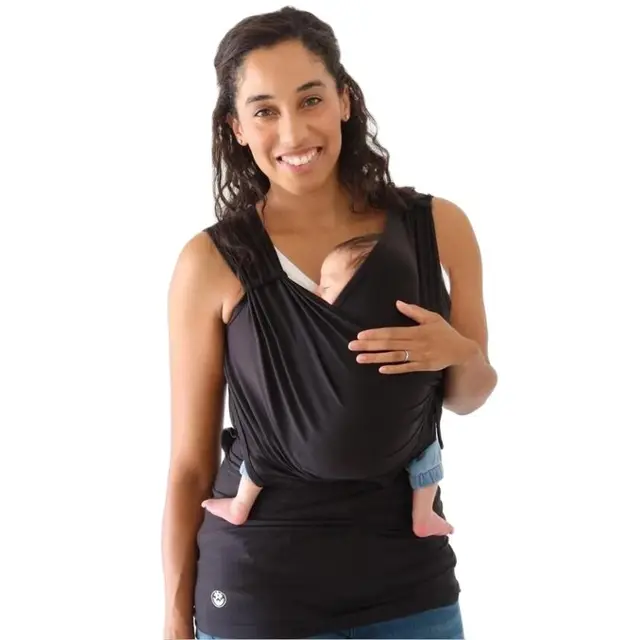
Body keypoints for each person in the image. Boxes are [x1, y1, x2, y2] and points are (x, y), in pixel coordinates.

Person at [162, 6, 498, 640]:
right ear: (237, 128)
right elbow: (188, 464)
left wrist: (457, 352)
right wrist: (176, 623)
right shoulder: (210, 263)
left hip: (410, 583)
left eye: (310, 99)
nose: (293, 131)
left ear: (345, 100)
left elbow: (470, 396)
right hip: (261, 591)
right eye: (265, 110)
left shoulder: (438, 228)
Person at [201, 232, 454, 538]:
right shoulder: (411, 337)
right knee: (427, 442)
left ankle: (241, 504)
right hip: (390, 453)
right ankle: (423, 514)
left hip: (295, 453)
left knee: (262, 440)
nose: (316, 291)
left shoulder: (316, 338)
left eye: (328, 286)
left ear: (363, 293)